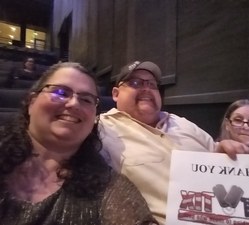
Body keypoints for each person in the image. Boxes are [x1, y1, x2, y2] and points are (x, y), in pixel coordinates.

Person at [0, 62, 158, 225]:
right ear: (32, 102)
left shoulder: (107, 186)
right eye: (61, 92)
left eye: (86, 99)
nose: (74, 103)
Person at [99, 60, 249, 224]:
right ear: (116, 93)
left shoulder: (183, 124)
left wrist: (225, 149)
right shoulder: (101, 129)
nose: (146, 88)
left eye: (152, 84)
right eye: (135, 82)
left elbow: (215, 153)